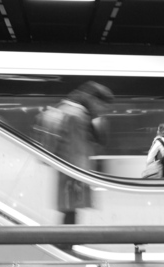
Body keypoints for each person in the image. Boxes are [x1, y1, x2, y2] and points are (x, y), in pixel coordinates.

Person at [34, 81, 114, 225]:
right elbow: (76, 150)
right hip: (73, 176)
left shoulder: (65, 108)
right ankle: (65, 244)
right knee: (70, 215)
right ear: (93, 99)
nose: (102, 110)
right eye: (102, 106)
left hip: (67, 174)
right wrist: (83, 176)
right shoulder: (77, 116)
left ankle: (65, 242)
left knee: (69, 214)